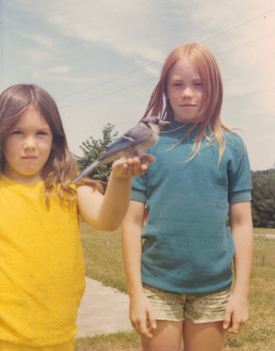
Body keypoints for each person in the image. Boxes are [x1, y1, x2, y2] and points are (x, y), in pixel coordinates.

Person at [0, 84, 154, 351]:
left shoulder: (70, 188)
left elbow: (108, 220)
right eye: (17, 132)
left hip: (60, 339)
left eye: (41, 134)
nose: (29, 144)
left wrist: (119, 177)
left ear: (55, 140)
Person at [121, 43, 253, 351]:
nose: (187, 93)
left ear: (214, 88)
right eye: (177, 85)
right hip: (156, 287)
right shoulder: (148, 144)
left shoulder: (232, 146)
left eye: (198, 84)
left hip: (214, 290)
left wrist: (240, 294)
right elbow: (130, 222)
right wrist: (135, 294)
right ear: (165, 90)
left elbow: (242, 222)